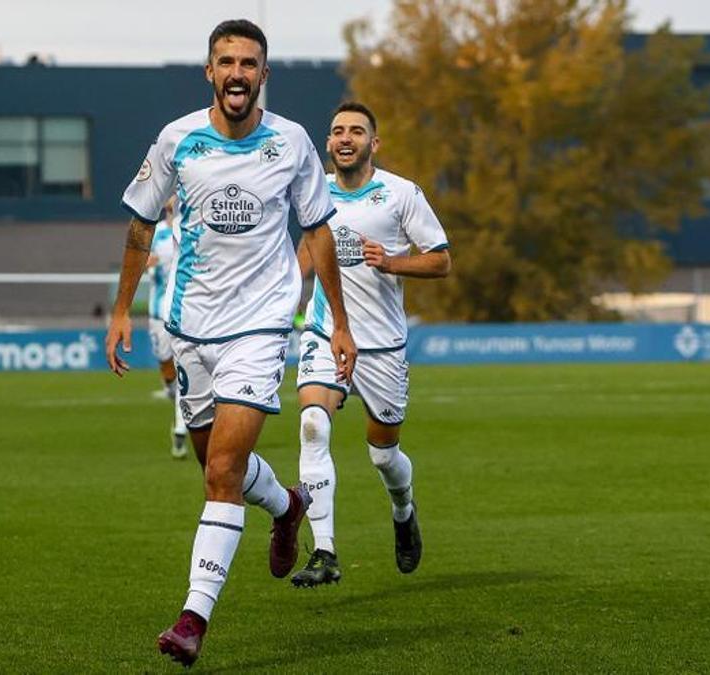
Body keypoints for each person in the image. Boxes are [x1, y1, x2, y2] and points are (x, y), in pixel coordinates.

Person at [105, 19, 357, 667]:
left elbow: (320, 231)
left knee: (221, 472)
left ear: (263, 74)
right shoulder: (176, 140)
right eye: (227, 62)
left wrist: (339, 321)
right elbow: (139, 225)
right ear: (210, 73)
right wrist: (121, 311)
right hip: (192, 326)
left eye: (249, 62)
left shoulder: (294, 143)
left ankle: (193, 617)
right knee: (216, 462)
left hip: (262, 324)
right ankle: (287, 503)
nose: (238, 73)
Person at [290, 102, 451, 588]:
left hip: (383, 347)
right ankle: (324, 551)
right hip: (325, 333)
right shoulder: (313, 189)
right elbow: (308, 248)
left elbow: (441, 261)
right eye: (337, 130)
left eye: (356, 131)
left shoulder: (402, 194)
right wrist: (283, 294)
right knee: (314, 425)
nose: (345, 138)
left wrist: (392, 262)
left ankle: (403, 510)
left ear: (373, 144)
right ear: (328, 142)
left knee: (384, 455)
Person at [145, 199, 190, 458]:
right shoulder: (157, 232)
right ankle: (175, 398)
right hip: (157, 311)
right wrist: (147, 262)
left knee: (185, 368)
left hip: (185, 311)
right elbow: (142, 262)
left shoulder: (195, 226)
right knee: (166, 367)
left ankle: (181, 427)